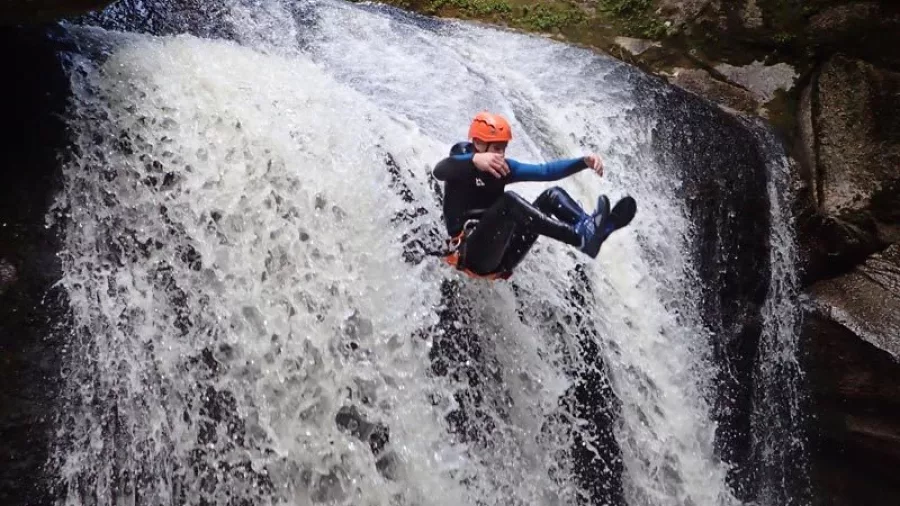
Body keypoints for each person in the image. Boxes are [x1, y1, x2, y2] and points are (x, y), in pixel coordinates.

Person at [433, 111, 635, 280]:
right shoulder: (459, 160)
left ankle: (589, 228)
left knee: (552, 195)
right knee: (509, 201)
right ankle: (577, 237)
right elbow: (440, 171)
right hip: (471, 255)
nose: (501, 154)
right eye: (496, 148)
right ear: (477, 143)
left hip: (505, 257)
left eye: (503, 148)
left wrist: (583, 162)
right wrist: (474, 160)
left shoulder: (503, 169)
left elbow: (546, 171)